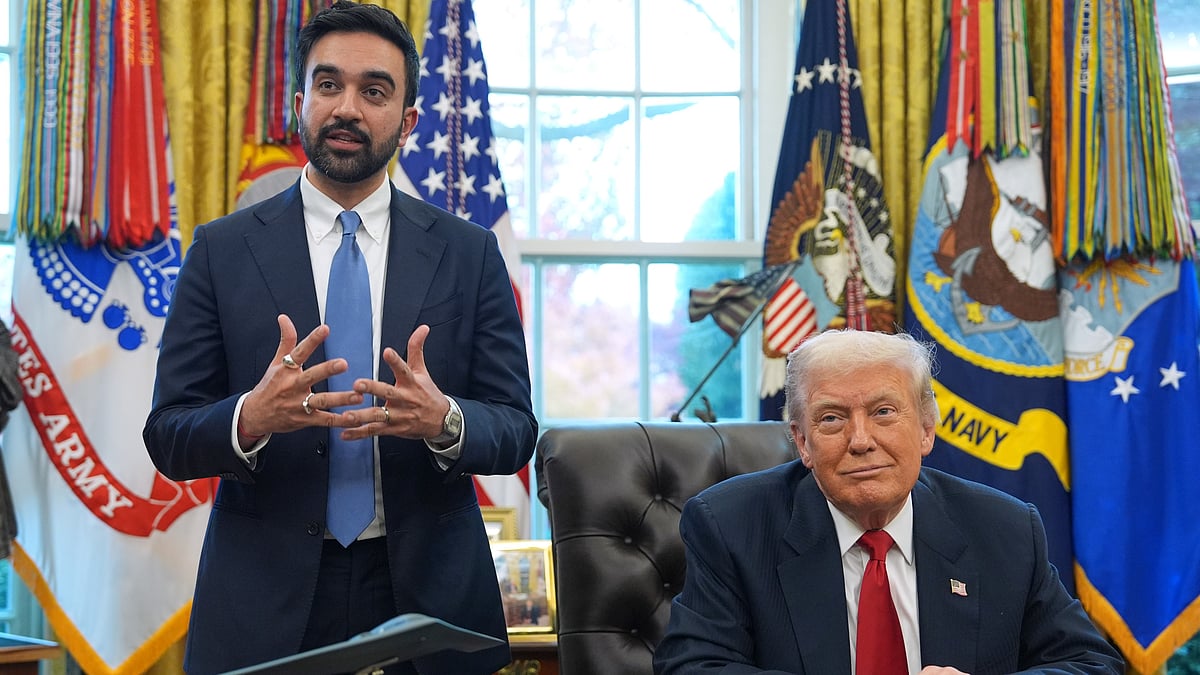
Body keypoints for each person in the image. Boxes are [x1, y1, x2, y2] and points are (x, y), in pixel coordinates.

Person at [142, 2, 536, 673]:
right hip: (264, 598)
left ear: (408, 121)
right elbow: (168, 435)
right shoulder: (220, 251)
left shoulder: (469, 255)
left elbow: (516, 429)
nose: (347, 108)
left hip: (430, 594)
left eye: (374, 92)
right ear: (301, 103)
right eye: (329, 85)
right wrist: (250, 416)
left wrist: (445, 420)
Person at [653, 329, 1122, 674]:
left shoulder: (1004, 528)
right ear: (802, 441)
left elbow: (1091, 663)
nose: (861, 440)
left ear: (926, 429)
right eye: (832, 418)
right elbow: (693, 667)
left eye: (883, 412)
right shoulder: (732, 526)